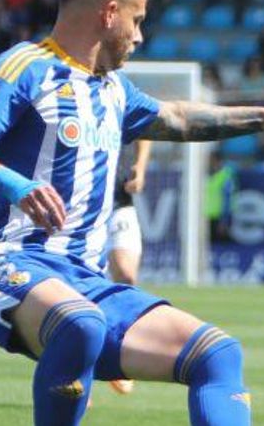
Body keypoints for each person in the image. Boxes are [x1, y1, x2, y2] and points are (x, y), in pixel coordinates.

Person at [0, 0, 264, 426]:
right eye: (137, 19)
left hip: (86, 280)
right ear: (109, 13)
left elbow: (178, 117)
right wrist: (16, 185)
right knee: (79, 324)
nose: (139, 35)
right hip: (7, 263)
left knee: (218, 355)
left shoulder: (114, 89)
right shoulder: (26, 66)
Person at [102, 138, 152, 396]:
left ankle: (118, 356)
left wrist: (140, 167)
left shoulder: (119, 97)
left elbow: (144, 128)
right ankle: (75, 373)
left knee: (127, 275)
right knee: (75, 288)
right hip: (81, 205)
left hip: (119, 202)